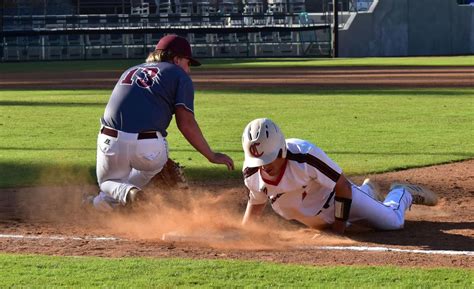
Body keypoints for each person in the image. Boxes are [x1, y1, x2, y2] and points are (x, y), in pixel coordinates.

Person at [91, 34, 234, 211]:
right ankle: (118, 199)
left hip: (110, 142)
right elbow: (186, 123)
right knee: (148, 168)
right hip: (150, 149)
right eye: (187, 63)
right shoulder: (179, 75)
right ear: (176, 59)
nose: (188, 69)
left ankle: (121, 196)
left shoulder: (130, 70)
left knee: (108, 182)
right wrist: (211, 155)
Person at [240, 118, 437, 234]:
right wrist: (244, 232)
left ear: (282, 150)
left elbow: (342, 186)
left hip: (338, 199)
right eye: (258, 162)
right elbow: (256, 203)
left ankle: (402, 193)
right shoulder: (251, 172)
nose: (264, 166)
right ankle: (368, 190)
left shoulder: (305, 156)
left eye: (269, 159)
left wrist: (338, 229)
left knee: (392, 223)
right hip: (315, 216)